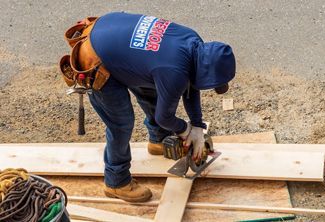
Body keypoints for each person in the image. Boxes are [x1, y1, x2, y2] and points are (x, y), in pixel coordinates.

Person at [60, 12, 235, 202]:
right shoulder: (174, 71)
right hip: (96, 57)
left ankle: (158, 140)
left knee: (152, 88)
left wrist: (198, 125)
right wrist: (186, 130)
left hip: (115, 38)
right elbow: (164, 118)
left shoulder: (194, 41)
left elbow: (191, 87)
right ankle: (116, 181)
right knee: (121, 123)